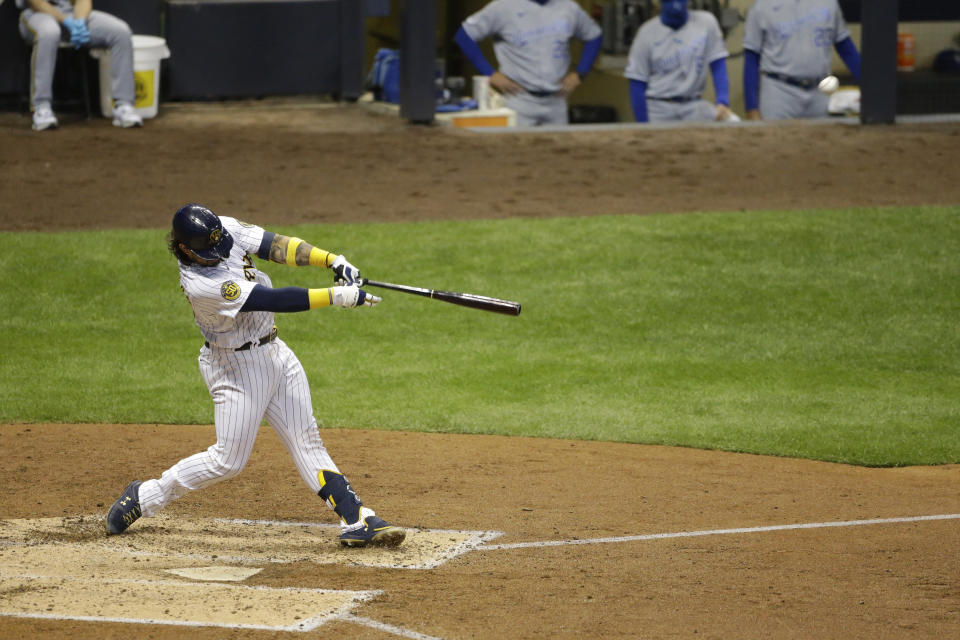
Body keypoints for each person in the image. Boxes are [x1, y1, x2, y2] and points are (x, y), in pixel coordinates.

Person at [105, 204, 405, 549]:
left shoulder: (223, 230)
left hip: (275, 352)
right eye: (208, 252)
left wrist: (331, 260)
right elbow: (271, 299)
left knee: (307, 440)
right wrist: (337, 296)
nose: (218, 255)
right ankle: (145, 496)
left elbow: (276, 246)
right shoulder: (203, 284)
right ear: (186, 249)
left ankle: (357, 518)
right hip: (235, 369)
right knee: (227, 461)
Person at [454, 0, 603, 127]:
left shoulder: (569, 7)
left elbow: (594, 36)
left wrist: (581, 73)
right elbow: (464, 35)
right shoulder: (503, 6)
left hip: (556, 99)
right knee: (515, 156)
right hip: (518, 98)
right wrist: (490, 73)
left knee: (558, 156)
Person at [16, 0, 143, 130]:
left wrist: (79, 22)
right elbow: (37, 3)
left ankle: (123, 106)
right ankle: (41, 108)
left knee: (121, 32)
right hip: (36, 14)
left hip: (71, 13)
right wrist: (66, 21)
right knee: (49, 33)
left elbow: (82, 1)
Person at [742, 0, 861, 121]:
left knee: (821, 139)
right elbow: (752, 58)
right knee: (776, 139)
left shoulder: (829, 3)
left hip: (820, 92)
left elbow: (847, 50)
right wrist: (751, 107)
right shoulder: (762, 6)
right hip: (779, 93)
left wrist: (870, 86)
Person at [625, 0, 735, 123]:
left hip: (694, 104)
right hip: (658, 107)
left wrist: (722, 101)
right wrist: (643, 125)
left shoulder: (706, 22)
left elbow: (718, 63)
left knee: (734, 122)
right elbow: (637, 84)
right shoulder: (646, 33)